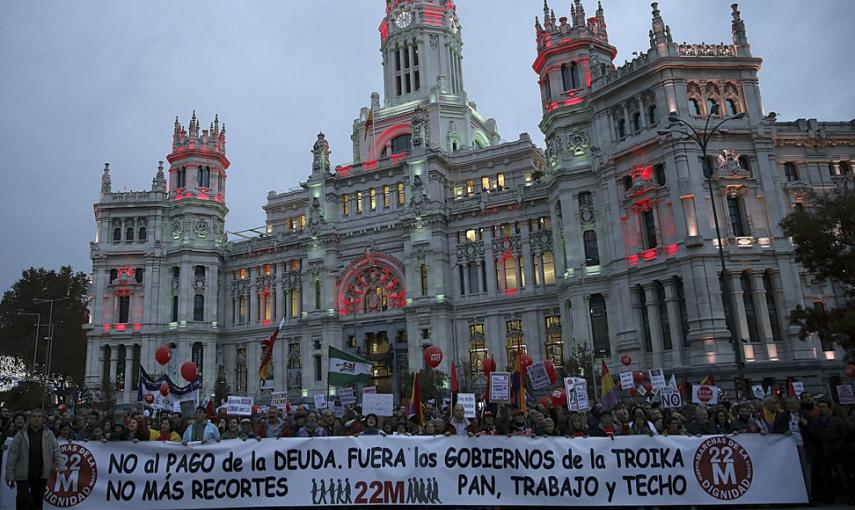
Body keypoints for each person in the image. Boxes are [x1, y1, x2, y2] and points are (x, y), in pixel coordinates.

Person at [5, 408, 65, 510]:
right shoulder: (21, 434)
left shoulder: (48, 434)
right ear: (29, 419)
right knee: (22, 502)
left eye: (39, 417)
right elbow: (12, 455)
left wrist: (61, 465)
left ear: (42, 419)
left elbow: (56, 450)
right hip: (23, 474)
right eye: (34, 416)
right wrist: (9, 474)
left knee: (37, 502)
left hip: (41, 474)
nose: (36, 419)